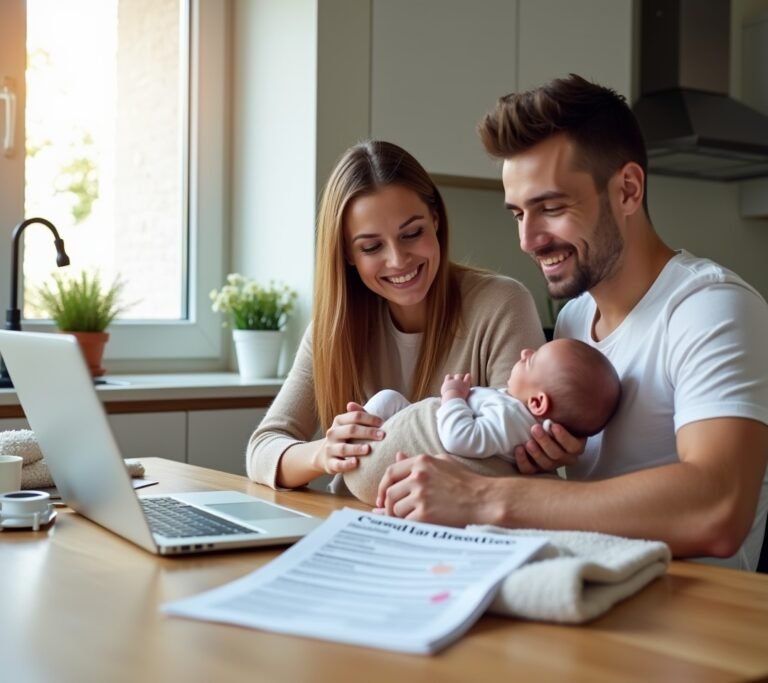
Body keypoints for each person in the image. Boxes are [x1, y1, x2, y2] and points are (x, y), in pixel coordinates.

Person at [375, 74, 768, 571]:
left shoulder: (709, 307)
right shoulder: (575, 318)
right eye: (518, 214)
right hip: (589, 588)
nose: (528, 240)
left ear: (627, 190)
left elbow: (719, 508)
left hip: (696, 609)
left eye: (552, 207)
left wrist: (482, 497)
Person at [246, 140, 545, 491]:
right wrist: (323, 453)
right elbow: (262, 449)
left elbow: (518, 457)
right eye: (371, 246)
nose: (398, 260)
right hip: (357, 518)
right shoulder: (333, 331)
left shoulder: (502, 304)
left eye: (412, 234)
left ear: (435, 220)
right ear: (348, 254)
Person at [363, 338, 620, 463]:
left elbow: (460, 439)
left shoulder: (511, 417)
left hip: (418, 441)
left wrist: (452, 396)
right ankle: (353, 434)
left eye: (531, 360)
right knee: (387, 402)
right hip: (418, 424)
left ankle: (355, 441)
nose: (525, 352)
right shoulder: (514, 413)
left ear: (537, 403)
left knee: (386, 400)